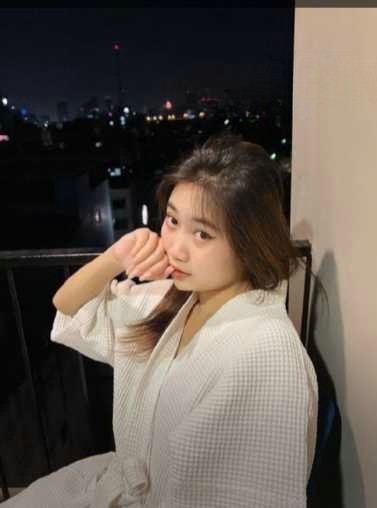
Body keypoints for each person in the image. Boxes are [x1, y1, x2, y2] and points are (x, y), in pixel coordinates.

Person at [2, 132, 318, 507]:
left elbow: (248, 496)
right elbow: (68, 306)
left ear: (249, 241)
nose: (176, 248)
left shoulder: (267, 351)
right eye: (172, 220)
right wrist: (116, 257)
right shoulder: (168, 300)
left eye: (202, 234)